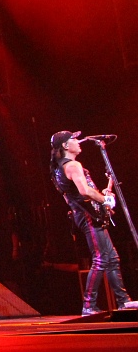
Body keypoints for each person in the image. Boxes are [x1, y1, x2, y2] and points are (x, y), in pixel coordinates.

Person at [50, 130, 138, 316]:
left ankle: (124, 301)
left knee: (111, 258)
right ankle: (88, 305)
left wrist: (102, 196)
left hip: (85, 214)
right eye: (74, 139)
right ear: (65, 145)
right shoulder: (72, 165)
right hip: (87, 216)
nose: (78, 141)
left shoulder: (61, 168)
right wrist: (105, 200)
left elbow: (75, 195)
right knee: (100, 259)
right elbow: (84, 191)